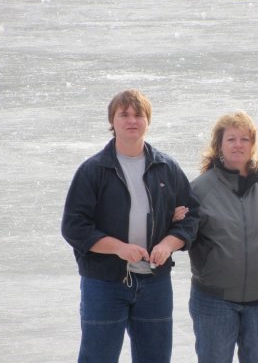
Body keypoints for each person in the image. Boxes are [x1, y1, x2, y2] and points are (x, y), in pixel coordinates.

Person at [61, 89, 199, 363]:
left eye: (139, 115)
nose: (132, 120)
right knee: (97, 358)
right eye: (124, 115)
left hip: (155, 281)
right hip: (104, 282)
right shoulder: (93, 170)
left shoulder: (166, 167)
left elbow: (193, 215)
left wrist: (167, 244)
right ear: (112, 121)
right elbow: (74, 227)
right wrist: (119, 249)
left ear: (148, 121)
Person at [188, 111, 258, 363]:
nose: (238, 144)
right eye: (231, 139)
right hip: (214, 300)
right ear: (219, 145)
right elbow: (181, 234)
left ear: (253, 145)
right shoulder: (199, 190)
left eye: (244, 139)